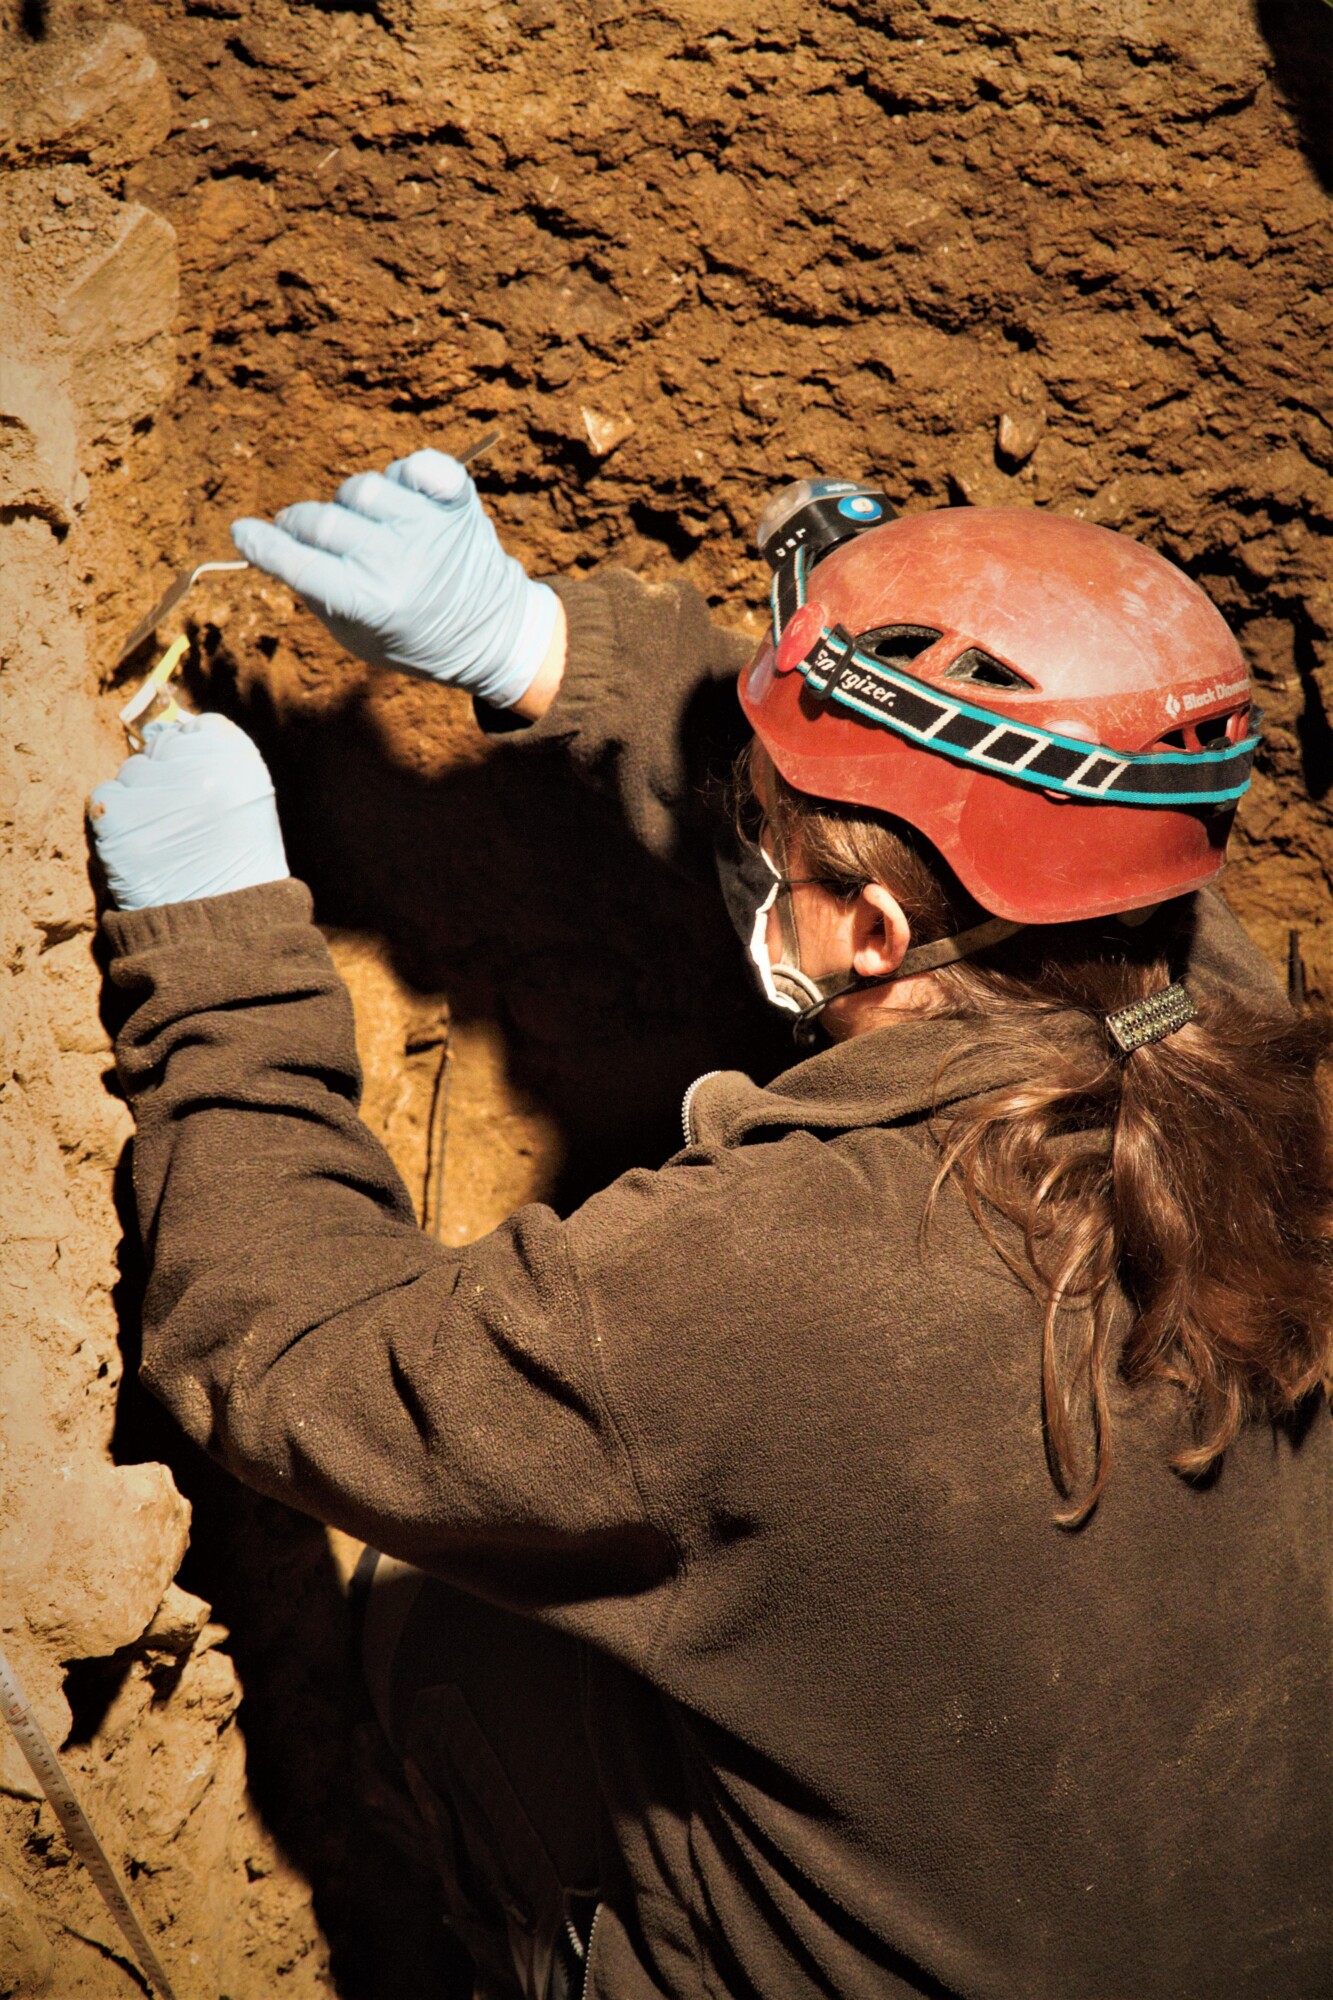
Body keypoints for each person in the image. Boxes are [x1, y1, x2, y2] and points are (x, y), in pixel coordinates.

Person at [90, 454, 1333, 2000]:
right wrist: (529, 642)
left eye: (762, 826)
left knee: (451, 1642)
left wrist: (211, 948)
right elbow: (929, 831)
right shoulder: (1249, 1056)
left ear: (871, 933)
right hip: (1211, 1916)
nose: (743, 844)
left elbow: (286, 1360)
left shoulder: (760, 1279)